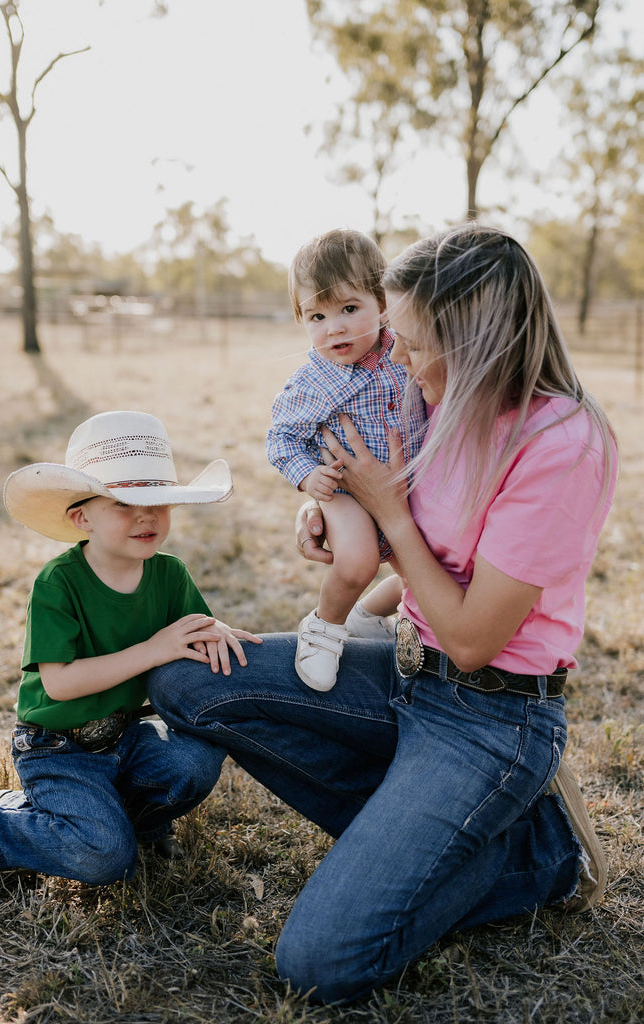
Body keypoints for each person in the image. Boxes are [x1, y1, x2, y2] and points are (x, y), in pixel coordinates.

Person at [147, 223, 617, 1004]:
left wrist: (388, 517)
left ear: (475, 339)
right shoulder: (436, 403)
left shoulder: (559, 442)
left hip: (489, 720)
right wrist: (331, 518)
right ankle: (411, 828)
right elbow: (419, 557)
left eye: (411, 341)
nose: (391, 356)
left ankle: (539, 855)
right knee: (186, 680)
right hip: (403, 674)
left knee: (317, 965)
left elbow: (469, 639)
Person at [0, 411, 259, 894]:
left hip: (126, 733)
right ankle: (1, 830)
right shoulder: (58, 582)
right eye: (123, 503)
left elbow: (192, 631)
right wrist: (152, 649)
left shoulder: (170, 573)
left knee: (195, 764)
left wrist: (215, 630)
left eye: (158, 501)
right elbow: (59, 683)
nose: (146, 516)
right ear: (82, 518)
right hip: (59, 745)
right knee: (104, 859)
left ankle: (132, 820)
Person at [266, 228, 426, 691]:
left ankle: (371, 617)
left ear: (384, 304)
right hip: (344, 486)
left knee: (428, 565)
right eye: (316, 315)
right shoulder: (314, 381)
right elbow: (280, 438)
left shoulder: (405, 351)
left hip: (406, 481)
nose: (333, 327)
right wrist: (307, 477)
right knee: (356, 562)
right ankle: (324, 629)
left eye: (349, 309)